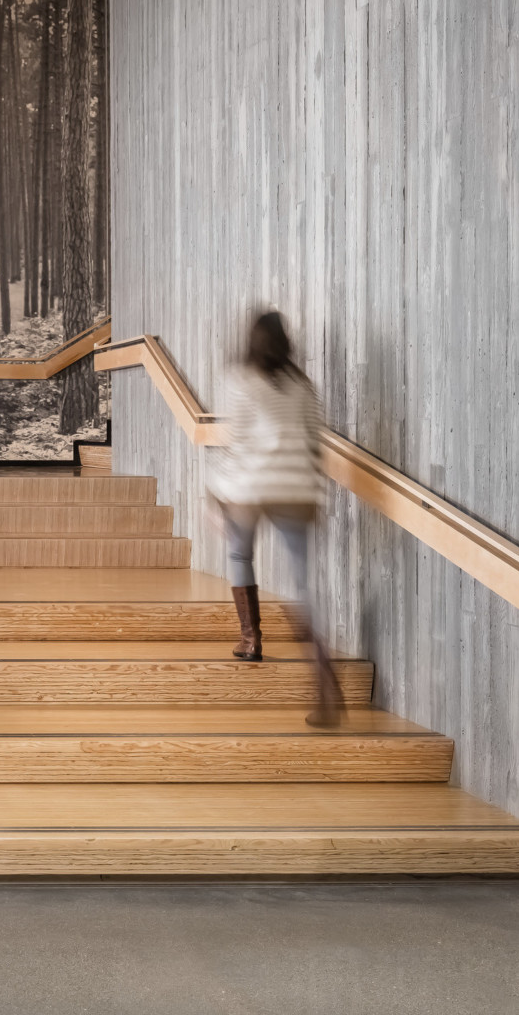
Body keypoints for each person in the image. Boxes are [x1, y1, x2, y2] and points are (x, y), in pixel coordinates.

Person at [209, 311, 342, 727]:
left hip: (252, 485)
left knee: (239, 554)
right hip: (298, 488)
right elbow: (316, 442)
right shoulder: (303, 384)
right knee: (303, 583)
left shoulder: (241, 379)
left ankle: (251, 639)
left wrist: (218, 491)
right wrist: (312, 490)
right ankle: (322, 670)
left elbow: (237, 443)